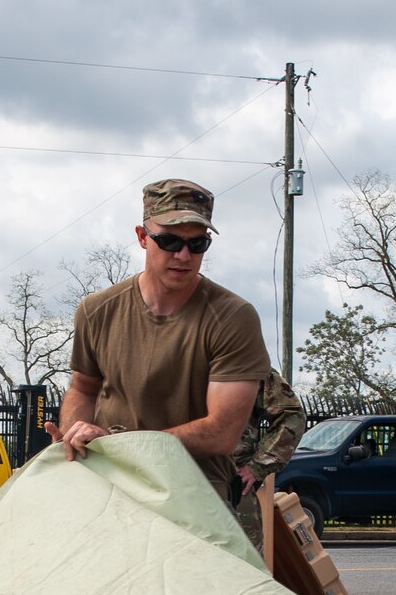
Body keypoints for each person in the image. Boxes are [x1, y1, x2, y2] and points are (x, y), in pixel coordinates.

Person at [47, 179, 270, 501]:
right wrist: (75, 434)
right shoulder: (97, 310)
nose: (183, 255)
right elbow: (84, 388)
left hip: (193, 496)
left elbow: (222, 432)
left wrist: (116, 443)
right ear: (142, 237)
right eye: (169, 241)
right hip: (109, 489)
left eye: (197, 245)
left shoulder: (233, 317)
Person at [231, 368, 307, 553]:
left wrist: (258, 465)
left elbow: (291, 416)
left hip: (228, 483)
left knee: (244, 567)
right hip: (166, 483)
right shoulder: (157, 352)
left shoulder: (239, 360)